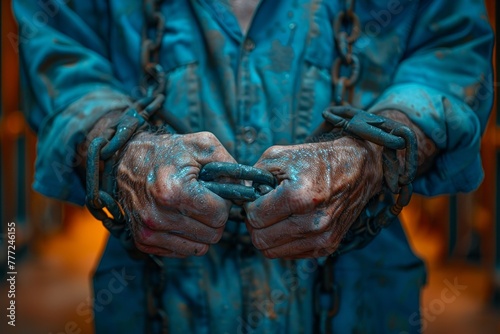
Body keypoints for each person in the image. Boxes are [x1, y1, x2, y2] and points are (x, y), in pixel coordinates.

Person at [14, 0, 493, 333]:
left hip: (355, 295)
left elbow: (451, 51)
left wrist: (372, 155)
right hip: (156, 299)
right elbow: (60, 56)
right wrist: (122, 151)